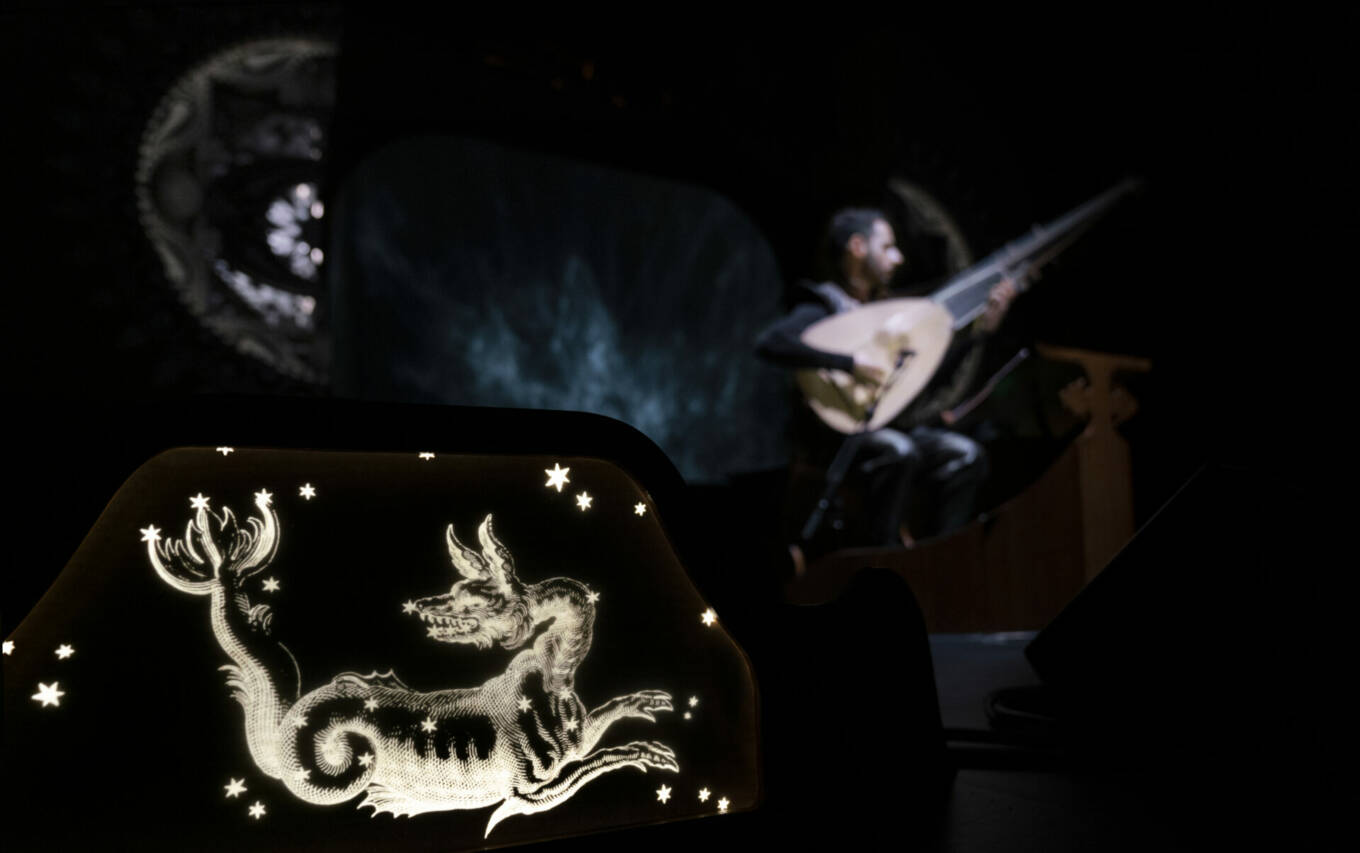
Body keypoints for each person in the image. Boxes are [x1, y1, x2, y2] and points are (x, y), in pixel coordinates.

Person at [756, 207, 1016, 547]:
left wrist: (979, 335)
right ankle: (885, 554)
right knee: (899, 451)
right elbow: (772, 343)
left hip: (888, 429)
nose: (898, 258)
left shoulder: (889, 317)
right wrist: (849, 362)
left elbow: (923, 381)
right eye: (887, 247)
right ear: (858, 247)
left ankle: (940, 554)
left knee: (965, 455)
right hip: (837, 438)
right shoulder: (823, 308)